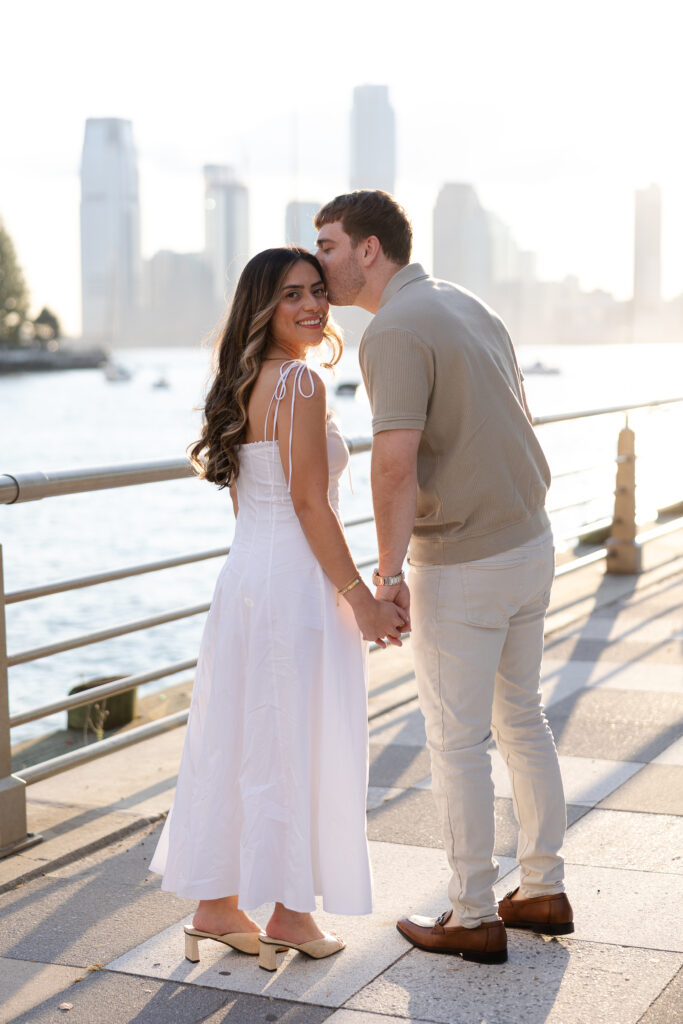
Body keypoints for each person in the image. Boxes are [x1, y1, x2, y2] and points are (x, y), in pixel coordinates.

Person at [314, 191, 573, 965]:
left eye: (327, 244)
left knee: (456, 740)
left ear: (368, 250)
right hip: (529, 540)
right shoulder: (466, 303)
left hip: (463, 560)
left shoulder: (392, 329)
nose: (318, 259)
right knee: (521, 718)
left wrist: (387, 575)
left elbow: (393, 465)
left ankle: (469, 913)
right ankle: (540, 887)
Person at [150, 247, 406, 973]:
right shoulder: (298, 380)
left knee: (241, 736)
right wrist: (359, 597)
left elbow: (250, 500)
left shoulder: (242, 381)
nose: (312, 306)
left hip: (246, 580)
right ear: (262, 305)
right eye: (292, 294)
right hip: (293, 584)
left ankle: (217, 905)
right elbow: (306, 503)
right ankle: (290, 912)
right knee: (292, 738)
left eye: (318, 292)